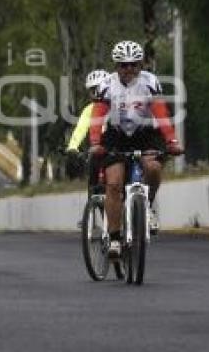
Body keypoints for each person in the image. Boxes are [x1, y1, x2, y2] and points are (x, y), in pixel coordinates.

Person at [88, 40, 184, 259]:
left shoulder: (150, 82)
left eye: (134, 64)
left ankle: (147, 207)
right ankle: (114, 239)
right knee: (113, 184)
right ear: (116, 66)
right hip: (116, 135)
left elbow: (161, 114)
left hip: (145, 133)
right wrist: (95, 143)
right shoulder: (106, 85)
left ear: (140, 64)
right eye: (123, 65)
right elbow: (97, 117)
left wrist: (172, 141)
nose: (129, 69)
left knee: (153, 167)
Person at [65, 69, 109, 188]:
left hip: (117, 147)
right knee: (93, 163)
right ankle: (92, 198)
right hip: (98, 149)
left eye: (100, 88)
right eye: (93, 90)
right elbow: (80, 130)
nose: (97, 93)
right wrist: (72, 148)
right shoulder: (88, 110)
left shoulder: (117, 104)